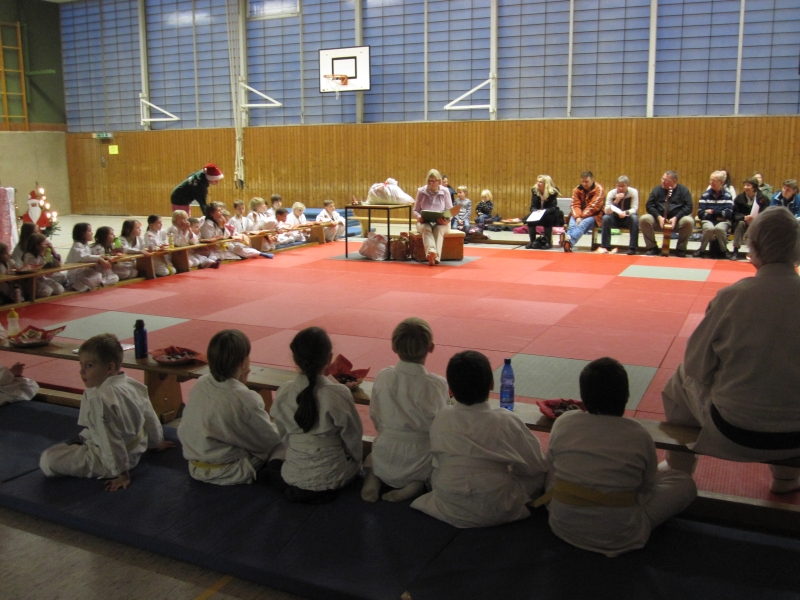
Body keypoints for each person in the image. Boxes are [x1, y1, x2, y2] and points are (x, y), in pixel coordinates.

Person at [661, 207, 800, 493]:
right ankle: (786, 477)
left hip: (734, 432)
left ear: (753, 246)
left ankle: (678, 469)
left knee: (680, 380)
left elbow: (697, 366)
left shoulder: (732, 297)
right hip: (796, 437)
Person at [536, 357, 696, 557]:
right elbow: (647, 484)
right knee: (684, 482)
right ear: (626, 396)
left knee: (553, 468)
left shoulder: (565, 421)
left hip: (562, 524)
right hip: (620, 534)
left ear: (583, 397)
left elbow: (552, 464)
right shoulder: (638, 433)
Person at [411, 350, 547, 528]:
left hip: (450, 502)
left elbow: (437, 460)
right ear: (491, 384)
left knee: (439, 470)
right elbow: (535, 465)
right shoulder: (506, 420)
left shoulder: (442, 417)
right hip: (497, 505)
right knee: (537, 476)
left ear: (451, 389)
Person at [39, 334, 171, 491]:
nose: (81, 371)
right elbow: (149, 415)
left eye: (89, 366)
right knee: (84, 436)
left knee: (48, 460)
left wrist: (121, 473)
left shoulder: (101, 399)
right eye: (81, 365)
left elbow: (110, 439)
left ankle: (97, 458)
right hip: (138, 445)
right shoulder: (130, 383)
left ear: (110, 368)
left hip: (110, 460)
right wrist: (156, 442)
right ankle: (84, 448)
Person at [178, 330, 284, 485]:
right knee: (285, 443)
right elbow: (269, 441)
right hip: (231, 471)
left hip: (195, 467)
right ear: (243, 363)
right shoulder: (244, 398)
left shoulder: (202, 383)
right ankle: (274, 471)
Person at [270, 327, 363, 503]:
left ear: (295, 358)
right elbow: (353, 435)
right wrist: (356, 459)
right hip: (334, 476)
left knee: (277, 452)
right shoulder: (337, 393)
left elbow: (284, 436)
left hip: (293, 474)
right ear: (329, 358)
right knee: (363, 462)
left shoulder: (285, 392)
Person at [361, 318, 448, 503]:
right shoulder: (437, 384)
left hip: (386, 449)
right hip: (420, 454)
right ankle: (414, 486)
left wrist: (386, 432)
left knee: (373, 459)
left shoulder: (384, 376)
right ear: (431, 347)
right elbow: (441, 424)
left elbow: (375, 415)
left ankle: (373, 478)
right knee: (431, 469)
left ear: (394, 347)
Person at [640, 171, 695, 257]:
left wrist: (676, 217)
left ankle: (681, 248)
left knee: (688, 221)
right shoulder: (656, 190)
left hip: (677, 220)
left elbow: (689, 207)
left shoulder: (683, 190)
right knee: (644, 219)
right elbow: (649, 206)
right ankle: (652, 247)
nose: (663, 181)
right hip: (659, 220)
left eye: (666, 180)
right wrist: (658, 217)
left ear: (674, 181)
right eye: (662, 179)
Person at [413, 169, 458, 266]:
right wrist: (419, 217)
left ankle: (435, 258)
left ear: (439, 181)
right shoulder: (421, 191)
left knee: (438, 229)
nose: (432, 183)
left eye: (435, 181)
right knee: (426, 228)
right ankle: (432, 252)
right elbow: (415, 210)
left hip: (442, 223)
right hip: (424, 222)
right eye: (430, 181)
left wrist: (446, 220)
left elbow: (450, 211)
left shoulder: (445, 191)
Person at [729, 176, 770, 261]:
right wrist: (744, 217)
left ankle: (755, 252)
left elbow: (766, 213)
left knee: (758, 227)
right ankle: (735, 250)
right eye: (744, 185)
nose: (745, 187)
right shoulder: (739, 198)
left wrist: (755, 219)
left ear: (754, 187)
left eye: (748, 185)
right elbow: (734, 214)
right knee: (740, 224)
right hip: (743, 222)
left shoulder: (763, 199)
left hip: (758, 223)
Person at [693, 171, 733, 258]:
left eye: (714, 180)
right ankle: (701, 250)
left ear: (721, 182)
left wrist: (712, 211)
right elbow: (700, 213)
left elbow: (728, 214)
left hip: (723, 222)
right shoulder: (705, 195)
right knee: (709, 229)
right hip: (709, 221)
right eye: (710, 180)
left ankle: (724, 250)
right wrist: (719, 214)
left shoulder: (727, 195)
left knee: (719, 229)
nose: (711, 182)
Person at [595, 176, 639, 255]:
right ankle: (606, 246)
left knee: (634, 218)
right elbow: (606, 211)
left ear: (627, 185)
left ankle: (632, 247)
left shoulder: (633, 192)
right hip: (615, 218)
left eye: (623, 186)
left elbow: (634, 208)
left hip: (627, 217)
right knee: (605, 218)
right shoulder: (612, 193)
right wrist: (616, 201)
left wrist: (626, 213)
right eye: (618, 186)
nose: (620, 188)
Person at [564, 171, 604, 253]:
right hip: (579, 214)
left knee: (583, 224)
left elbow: (594, 206)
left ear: (592, 180)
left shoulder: (599, 189)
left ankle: (569, 242)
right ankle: (567, 243)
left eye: (587, 181)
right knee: (572, 225)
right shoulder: (577, 189)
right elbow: (574, 204)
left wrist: (581, 217)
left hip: (595, 215)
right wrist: (578, 216)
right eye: (582, 181)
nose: (584, 184)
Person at [23, 233, 65, 297]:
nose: (46, 246)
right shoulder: (28, 255)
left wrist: (53, 252)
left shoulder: (44, 253)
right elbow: (35, 266)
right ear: (37, 246)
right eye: (44, 244)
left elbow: (58, 264)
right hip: (33, 280)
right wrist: (42, 254)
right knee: (47, 292)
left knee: (60, 289)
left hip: (43, 278)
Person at [525, 175, 561, 250]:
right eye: (537, 182)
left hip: (549, 212)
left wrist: (543, 211)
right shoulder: (535, 190)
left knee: (548, 219)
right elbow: (532, 206)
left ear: (546, 183)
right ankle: (532, 241)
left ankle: (548, 242)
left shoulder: (553, 192)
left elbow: (553, 208)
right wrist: (535, 211)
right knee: (530, 220)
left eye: (541, 182)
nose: (538, 183)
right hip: (538, 213)